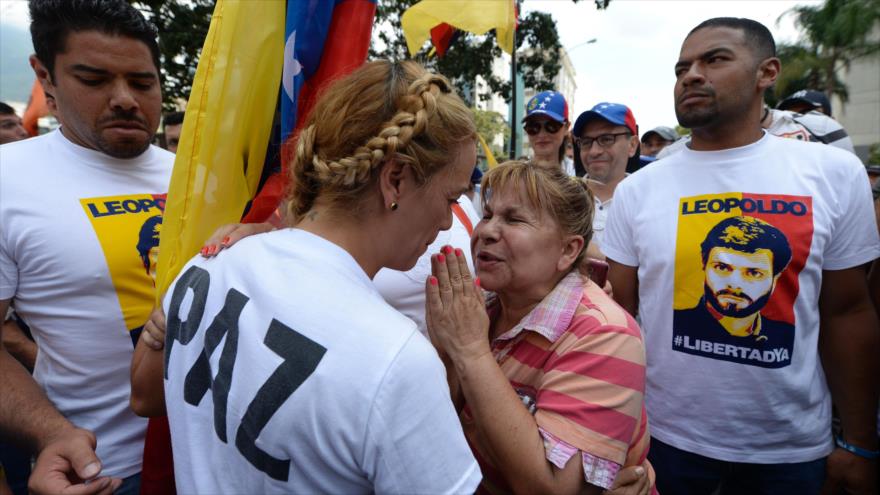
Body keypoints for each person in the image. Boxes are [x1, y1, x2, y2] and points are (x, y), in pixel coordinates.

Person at [145, 60, 482, 493]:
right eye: (450, 198)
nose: (444, 222)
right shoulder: (395, 362)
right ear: (395, 179)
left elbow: (151, 399)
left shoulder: (210, 263)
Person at [603, 17, 880, 493]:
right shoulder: (639, 190)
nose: (691, 74)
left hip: (792, 456)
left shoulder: (833, 174)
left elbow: (848, 311)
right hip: (664, 445)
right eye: (681, 67)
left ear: (767, 72)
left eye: (714, 59)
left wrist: (859, 444)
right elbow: (617, 318)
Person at [0, 1, 174, 494]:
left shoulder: (199, 174)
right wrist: (52, 432)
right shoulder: (6, 180)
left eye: (142, 82)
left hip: (222, 452)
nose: (124, 99)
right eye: (94, 79)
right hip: (104, 469)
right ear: (45, 77)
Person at [426, 161, 654, 494]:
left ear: (568, 250)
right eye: (487, 215)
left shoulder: (606, 335)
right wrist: (449, 353)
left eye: (514, 219)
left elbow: (551, 488)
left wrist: (471, 351)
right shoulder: (480, 305)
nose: (486, 231)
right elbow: (437, 427)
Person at [673, 216, 795, 364]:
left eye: (754, 273)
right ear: (704, 265)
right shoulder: (676, 324)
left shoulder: (785, 334)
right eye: (722, 267)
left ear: (775, 279)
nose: (735, 283)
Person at [571, 102, 639, 254]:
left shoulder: (649, 201)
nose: (594, 151)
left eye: (607, 139)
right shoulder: (562, 197)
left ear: (632, 145)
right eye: (586, 142)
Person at [523, 90, 575, 176]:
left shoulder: (577, 179)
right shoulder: (512, 179)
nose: (541, 134)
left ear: (566, 128)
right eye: (533, 127)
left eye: (552, 126)